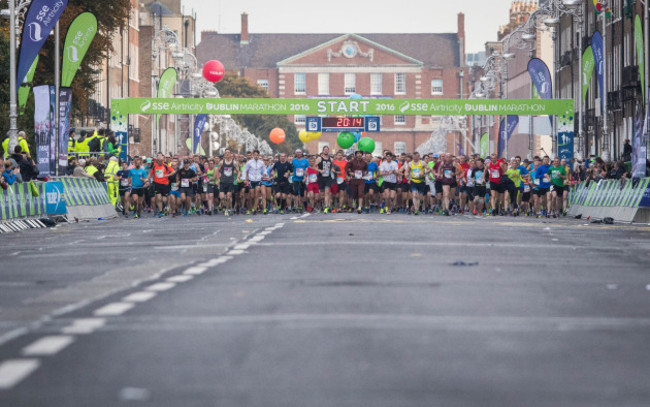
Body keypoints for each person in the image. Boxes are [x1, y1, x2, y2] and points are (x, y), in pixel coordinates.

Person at [149, 153, 175, 218]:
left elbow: (173, 171)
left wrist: (168, 175)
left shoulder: (165, 166)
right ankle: (160, 212)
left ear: (163, 160)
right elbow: (150, 174)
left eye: (161, 160)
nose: (160, 162)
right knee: (158, 198)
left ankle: (164, 207)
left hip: (165, 184)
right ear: (157, 161)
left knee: (164, 200)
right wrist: (147, 178)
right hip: (157, 184)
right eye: (159, 161)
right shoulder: (154, 166)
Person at [243, 150, 266, 214]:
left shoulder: (261, 162)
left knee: (256, 195)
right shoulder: (249, 162)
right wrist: (245, 178)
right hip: (251, 180)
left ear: (258, 155)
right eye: (255, 155)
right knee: (251, 196)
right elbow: (245, 170)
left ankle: (254, 209)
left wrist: (264, 174)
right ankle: (248, 208)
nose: (256, 156)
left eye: (257, 155)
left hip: (258, 180)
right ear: (253, 155)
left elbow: (265, 170)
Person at [218, 149, 239, 217]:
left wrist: (238, 177)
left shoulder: (234, 163)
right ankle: (224, 205)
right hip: (223, 181)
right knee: (221, 197)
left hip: (230, 182)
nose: (227, 154)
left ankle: (227, 209)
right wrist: (219, 176)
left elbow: (238, 171)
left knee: (228, 196)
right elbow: (218, 170)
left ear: (230, 154)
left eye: (228, 153)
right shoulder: (221, 162)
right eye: (226, 153)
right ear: (224, 154)